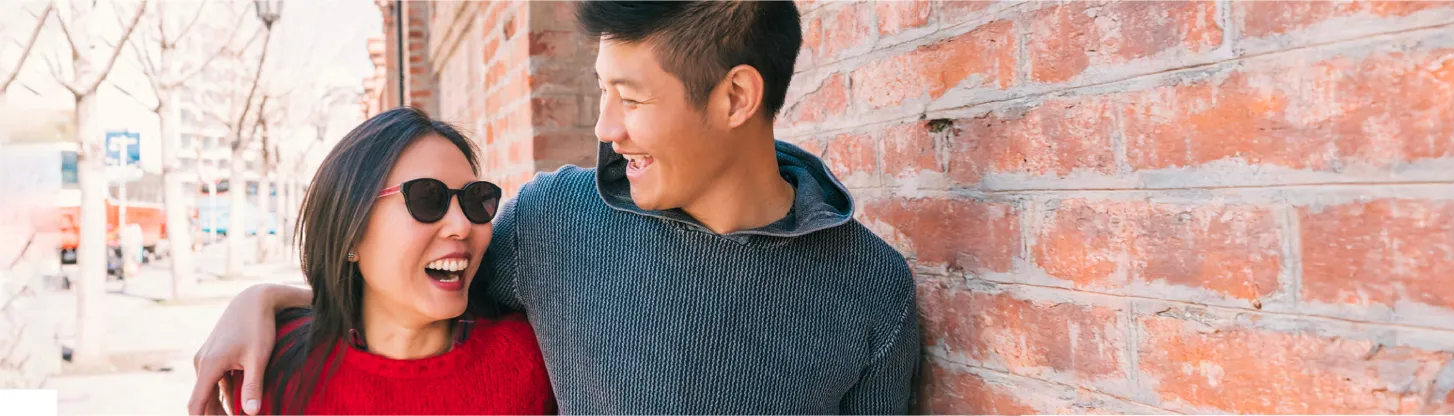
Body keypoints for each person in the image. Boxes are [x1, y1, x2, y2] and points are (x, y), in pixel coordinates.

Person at [190, 2, 918, 414]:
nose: (605, 127)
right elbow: (418, 284)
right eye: (601, 90)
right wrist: (266, 299)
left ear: (735, 97)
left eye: (630, 98)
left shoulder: (871, 291)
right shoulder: (558, 221)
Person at [219, 108, 555, 415]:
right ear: (351, 231)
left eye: (475, 199)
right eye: (427, 198)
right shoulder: (267, 369)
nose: (463, 225)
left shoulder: (529, 362)